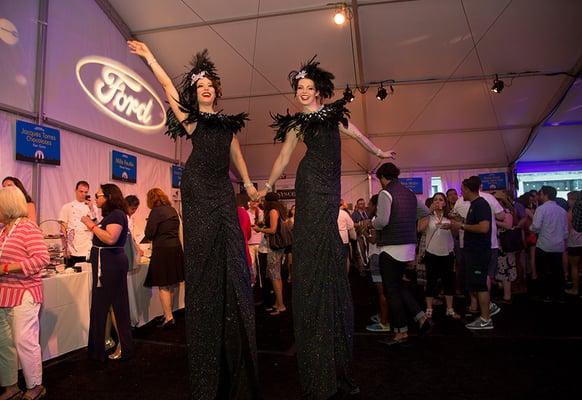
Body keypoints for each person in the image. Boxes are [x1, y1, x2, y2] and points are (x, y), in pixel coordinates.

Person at [128, 40, 259, 398]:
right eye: (199, 86)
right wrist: (151, 57)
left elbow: (236, 155)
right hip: (199, 187)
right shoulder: (190, 119)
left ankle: (234, 332)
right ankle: (205, 343)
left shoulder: (228, 123)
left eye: (209, 86)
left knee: (233, 256)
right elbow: (169, 87)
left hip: (223, 189)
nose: (204, 89)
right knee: (202, 260)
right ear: (196, 92)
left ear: (216, 91)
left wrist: (247, 183)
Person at [259, 56, 394, 398]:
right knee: (314, 238)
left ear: (318, 89)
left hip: (329, 184)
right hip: (309, 182)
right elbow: (284, 158)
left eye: (308, 88)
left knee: (329, 241)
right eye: (299, 89)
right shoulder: (296, 124)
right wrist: (267, 185)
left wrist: (379, 152)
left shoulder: (334, 115)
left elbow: (358, 134)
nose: (303, 93)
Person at [373, 163, 431, 344]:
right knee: (398, 285)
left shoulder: (385, 193)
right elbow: (425, 212)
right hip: (408, 246)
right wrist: (410, 224)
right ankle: (421, 318)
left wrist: (372, 221)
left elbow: (382, 221)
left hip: (391, 247)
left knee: (391, 291)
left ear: (383, 177)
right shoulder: (409, 193)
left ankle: (401, 332)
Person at [0, 186, 49, 400]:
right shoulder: (3, 231)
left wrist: (6, 268)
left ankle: (35, 385)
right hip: (4, 293)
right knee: (5, 343)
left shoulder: (28, 227)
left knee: (24, 340)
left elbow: (41, 259)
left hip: (25, 292)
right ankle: (11, 385)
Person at [81, 184, 134, 361]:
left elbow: (110, 238)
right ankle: (102, 344)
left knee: (115, 305)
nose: (95, 199)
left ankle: (123, 345)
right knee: (103, 306)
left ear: (109, 197)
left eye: (98, 195)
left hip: (110, 265)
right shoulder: (112, 215)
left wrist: (91, 225)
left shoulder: (117, 214)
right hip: (106, 264)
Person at [447, 177, 494, 330]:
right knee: (476, 284)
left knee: (480, 285)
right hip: (474, 251)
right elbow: (474, 224)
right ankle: (486, 312)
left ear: (467, 189)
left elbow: (483, 228)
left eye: (462, 190)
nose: (461, 193)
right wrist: (460, 220)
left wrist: (461, 225)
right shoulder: (475, 205)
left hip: (479, 252)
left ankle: (486, 318)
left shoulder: (480, 204)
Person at [143, 188, 185, 328]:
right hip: (176, 249)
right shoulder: (172, 210)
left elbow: (149, 233)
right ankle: (169, 313)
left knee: (163, 285)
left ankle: (168, 317)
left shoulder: (156, 212)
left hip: (163, 250)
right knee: (172, 283)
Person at [417, 192, 459, 319]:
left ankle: (450, 309)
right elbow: (419, 229)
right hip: (431, 253)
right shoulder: (428, 216)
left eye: (441, 200)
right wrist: (428, 212)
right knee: (431, 281)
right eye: (435, 200)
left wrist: (451, 225)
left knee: (448, 281)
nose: (438, 202)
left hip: (447, 252)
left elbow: (456, 233)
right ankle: (429, 308)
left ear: (445, 203)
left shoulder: (450, 216)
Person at [530, 186, 568, 302]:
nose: (539, 196)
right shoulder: (561, 210)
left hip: (544, 245)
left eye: (540, 194)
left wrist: (530, 227)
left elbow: (536, 227)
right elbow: (565, 231)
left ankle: (545, 295)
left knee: (543, 271)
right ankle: (560, 295)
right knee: (558, 272)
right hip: (558, 246)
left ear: (545, 195)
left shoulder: (541, 209)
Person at [253, 193, 287, 315]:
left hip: (274, 248)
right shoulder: (278, 209)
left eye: (264, 200)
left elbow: (272, 230)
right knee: (275, 275)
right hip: (277, 247)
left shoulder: (273, 211)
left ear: (268, 201)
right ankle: (278, 302)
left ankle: (281, 305)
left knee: (275, 276)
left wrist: (259, 230)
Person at [58, 181, 98, 268]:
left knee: (88, 275)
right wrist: (65, 249)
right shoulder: (67, 207)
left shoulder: (93, 208)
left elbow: (96, 226)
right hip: (72, 247)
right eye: (81, 191)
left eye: (86, 192)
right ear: (75, 190)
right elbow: (63, 229)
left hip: (87, 247)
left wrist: (91, 208)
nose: (83, 194)